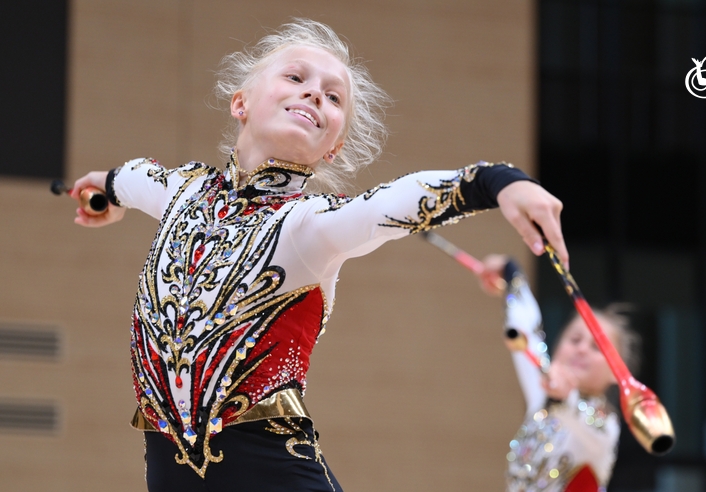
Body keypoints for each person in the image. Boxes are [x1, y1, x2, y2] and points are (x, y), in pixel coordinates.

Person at [69, 19, 568, 492]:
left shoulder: (309, 226)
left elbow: (397, 202)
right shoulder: (179, 193)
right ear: (240, 102)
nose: (314, 93)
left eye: (333, 98)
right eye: (295, 77)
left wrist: (500, 183)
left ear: (333, 146)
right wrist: (105, 188)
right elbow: (133, 178)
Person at [477, 256, 639, 492]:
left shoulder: (605, 425)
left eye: (597, 348)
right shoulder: (543, 394)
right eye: (575, 340)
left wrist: (566, 398)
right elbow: (526, 334)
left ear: (617, 373)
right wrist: (510, 273)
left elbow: (590, 426)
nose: (582, 349)